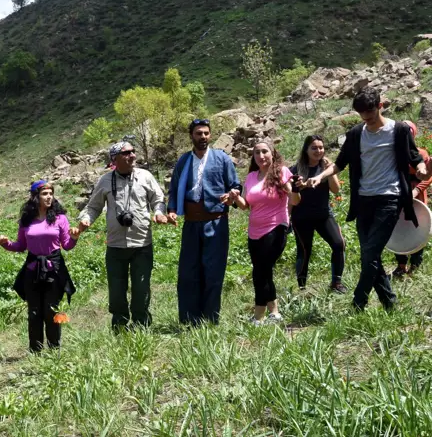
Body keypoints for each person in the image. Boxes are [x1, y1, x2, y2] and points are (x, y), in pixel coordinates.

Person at [306, 87, 429, 311]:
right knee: (369, 255)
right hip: (363, 201)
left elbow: (415, 157)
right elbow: (339, 163)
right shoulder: (355, 134)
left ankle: (358, 302)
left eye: (370, 114)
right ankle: (389, 304)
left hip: (389, 199)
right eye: (362, 115)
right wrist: (320, 177)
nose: (367, 119)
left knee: (370, 252)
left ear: (380, 106)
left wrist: (421, 168)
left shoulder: (399, 130)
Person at [76, 141, 168, 329]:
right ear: (115, 159)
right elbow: (93, 207)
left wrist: (159, 212)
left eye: (133, 152)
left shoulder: (146, 177)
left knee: (141, 289)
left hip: (142, 244)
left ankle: (142, 325)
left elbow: (158, 199)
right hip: (115, 246)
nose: (132, 155)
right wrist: (85, 219)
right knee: (116, 291)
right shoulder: (104, 180)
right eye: (126, 153)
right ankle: (120, 327)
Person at [167, 118, 242, 325]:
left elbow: (235, 185)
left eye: (206, 133)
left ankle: (210, 318)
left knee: (213, 270)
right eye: (199, 133)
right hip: (191, 224)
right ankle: (190, 318)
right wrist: (172, 210)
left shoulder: (221, 159)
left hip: (216, 223)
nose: (203, 137)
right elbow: (174, 188)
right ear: (192, 135)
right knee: (188, 271)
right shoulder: (183, 161)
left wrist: (232, 195)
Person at [0, 180, 79, 352]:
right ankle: (35, 350)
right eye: (44, 194)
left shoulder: (60, 218)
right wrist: (5, 244)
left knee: (52, 310)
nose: (49, 197)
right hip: (32, 269)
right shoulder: (27, 221)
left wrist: (74, 237)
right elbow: (20, 246)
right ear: (35, 197)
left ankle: (54, 348)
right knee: (34, 312)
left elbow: (67, 245)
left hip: (54, 269)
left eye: (51, 193)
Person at [230, 142, 301, 325]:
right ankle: (275, 313)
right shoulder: (252, 176)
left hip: (276, 228)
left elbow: (295, 199)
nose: (261, 156)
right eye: (257, 152)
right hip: (254, 232)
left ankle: (258, 316)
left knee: (260, 272)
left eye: (264, 151)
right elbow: (246, 205)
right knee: (264, 271)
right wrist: (235, 197)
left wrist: (294, 190)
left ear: (272, 153)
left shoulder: (282, 172)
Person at [290, 135, 347, 293]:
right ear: (306, 150)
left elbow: (336, 190)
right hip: (301, 217)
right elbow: (290, 198)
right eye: (314, 148)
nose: (318, 151)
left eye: (321, 147)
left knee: (338, 244)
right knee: (305, 251)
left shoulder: (326, 167)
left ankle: (336, 283)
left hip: (323, 215)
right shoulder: (295, 170)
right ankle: (302, 288)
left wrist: (330, 171)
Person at [393, 120, 432, 277]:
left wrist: (416, 190)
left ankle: (415, 265)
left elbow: (428, 177)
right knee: (399, 229)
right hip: (398, 197)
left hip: (418, 198)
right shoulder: (393, 155)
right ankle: (401, 265)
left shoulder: (421, 154)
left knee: (419, 230)